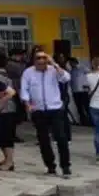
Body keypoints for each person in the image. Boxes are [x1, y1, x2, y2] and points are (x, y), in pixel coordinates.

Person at [20, 49, 73, 178]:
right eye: (38, 58)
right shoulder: (28, 72)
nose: (41, 61)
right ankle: (50, 166)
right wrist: (27, 104)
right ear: (34, 60)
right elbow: (24, 89)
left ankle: (65, 166)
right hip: (38, 110)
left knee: (61, 137)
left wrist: (54, 64)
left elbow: (66, 78)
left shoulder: (53, 70)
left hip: (55, 109)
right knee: (43, 139)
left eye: (44, 58)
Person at [0, 53, 18, 171]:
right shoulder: (5, 75)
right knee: (1, 135)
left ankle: (9, 161)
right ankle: (7, 159)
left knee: (6, 136)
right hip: (8, 109)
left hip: (5, 110)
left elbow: (3, 93)